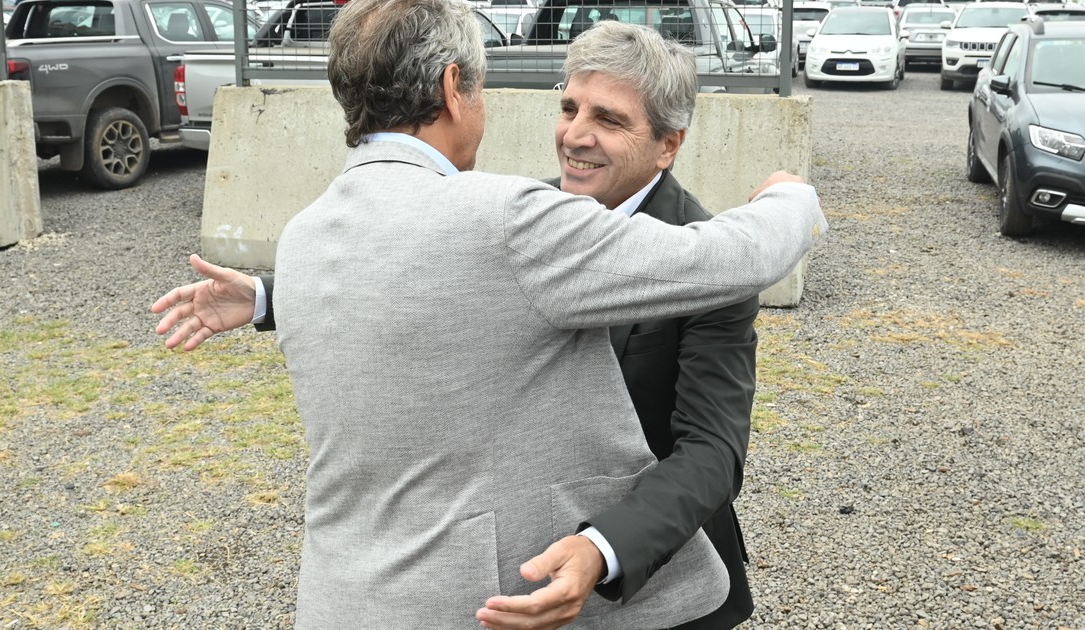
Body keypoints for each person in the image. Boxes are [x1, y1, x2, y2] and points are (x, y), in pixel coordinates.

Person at [154, 2, 826, 628]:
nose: (576, 135)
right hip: (513, 584)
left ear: (668, 145)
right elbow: (434, 265)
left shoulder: (515, 224)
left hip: (645, 585)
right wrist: (274, 294)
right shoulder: (513, 216)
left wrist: (604, 548)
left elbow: (711, 452)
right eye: (568, 108)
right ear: (455, 88)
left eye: (610, 120)